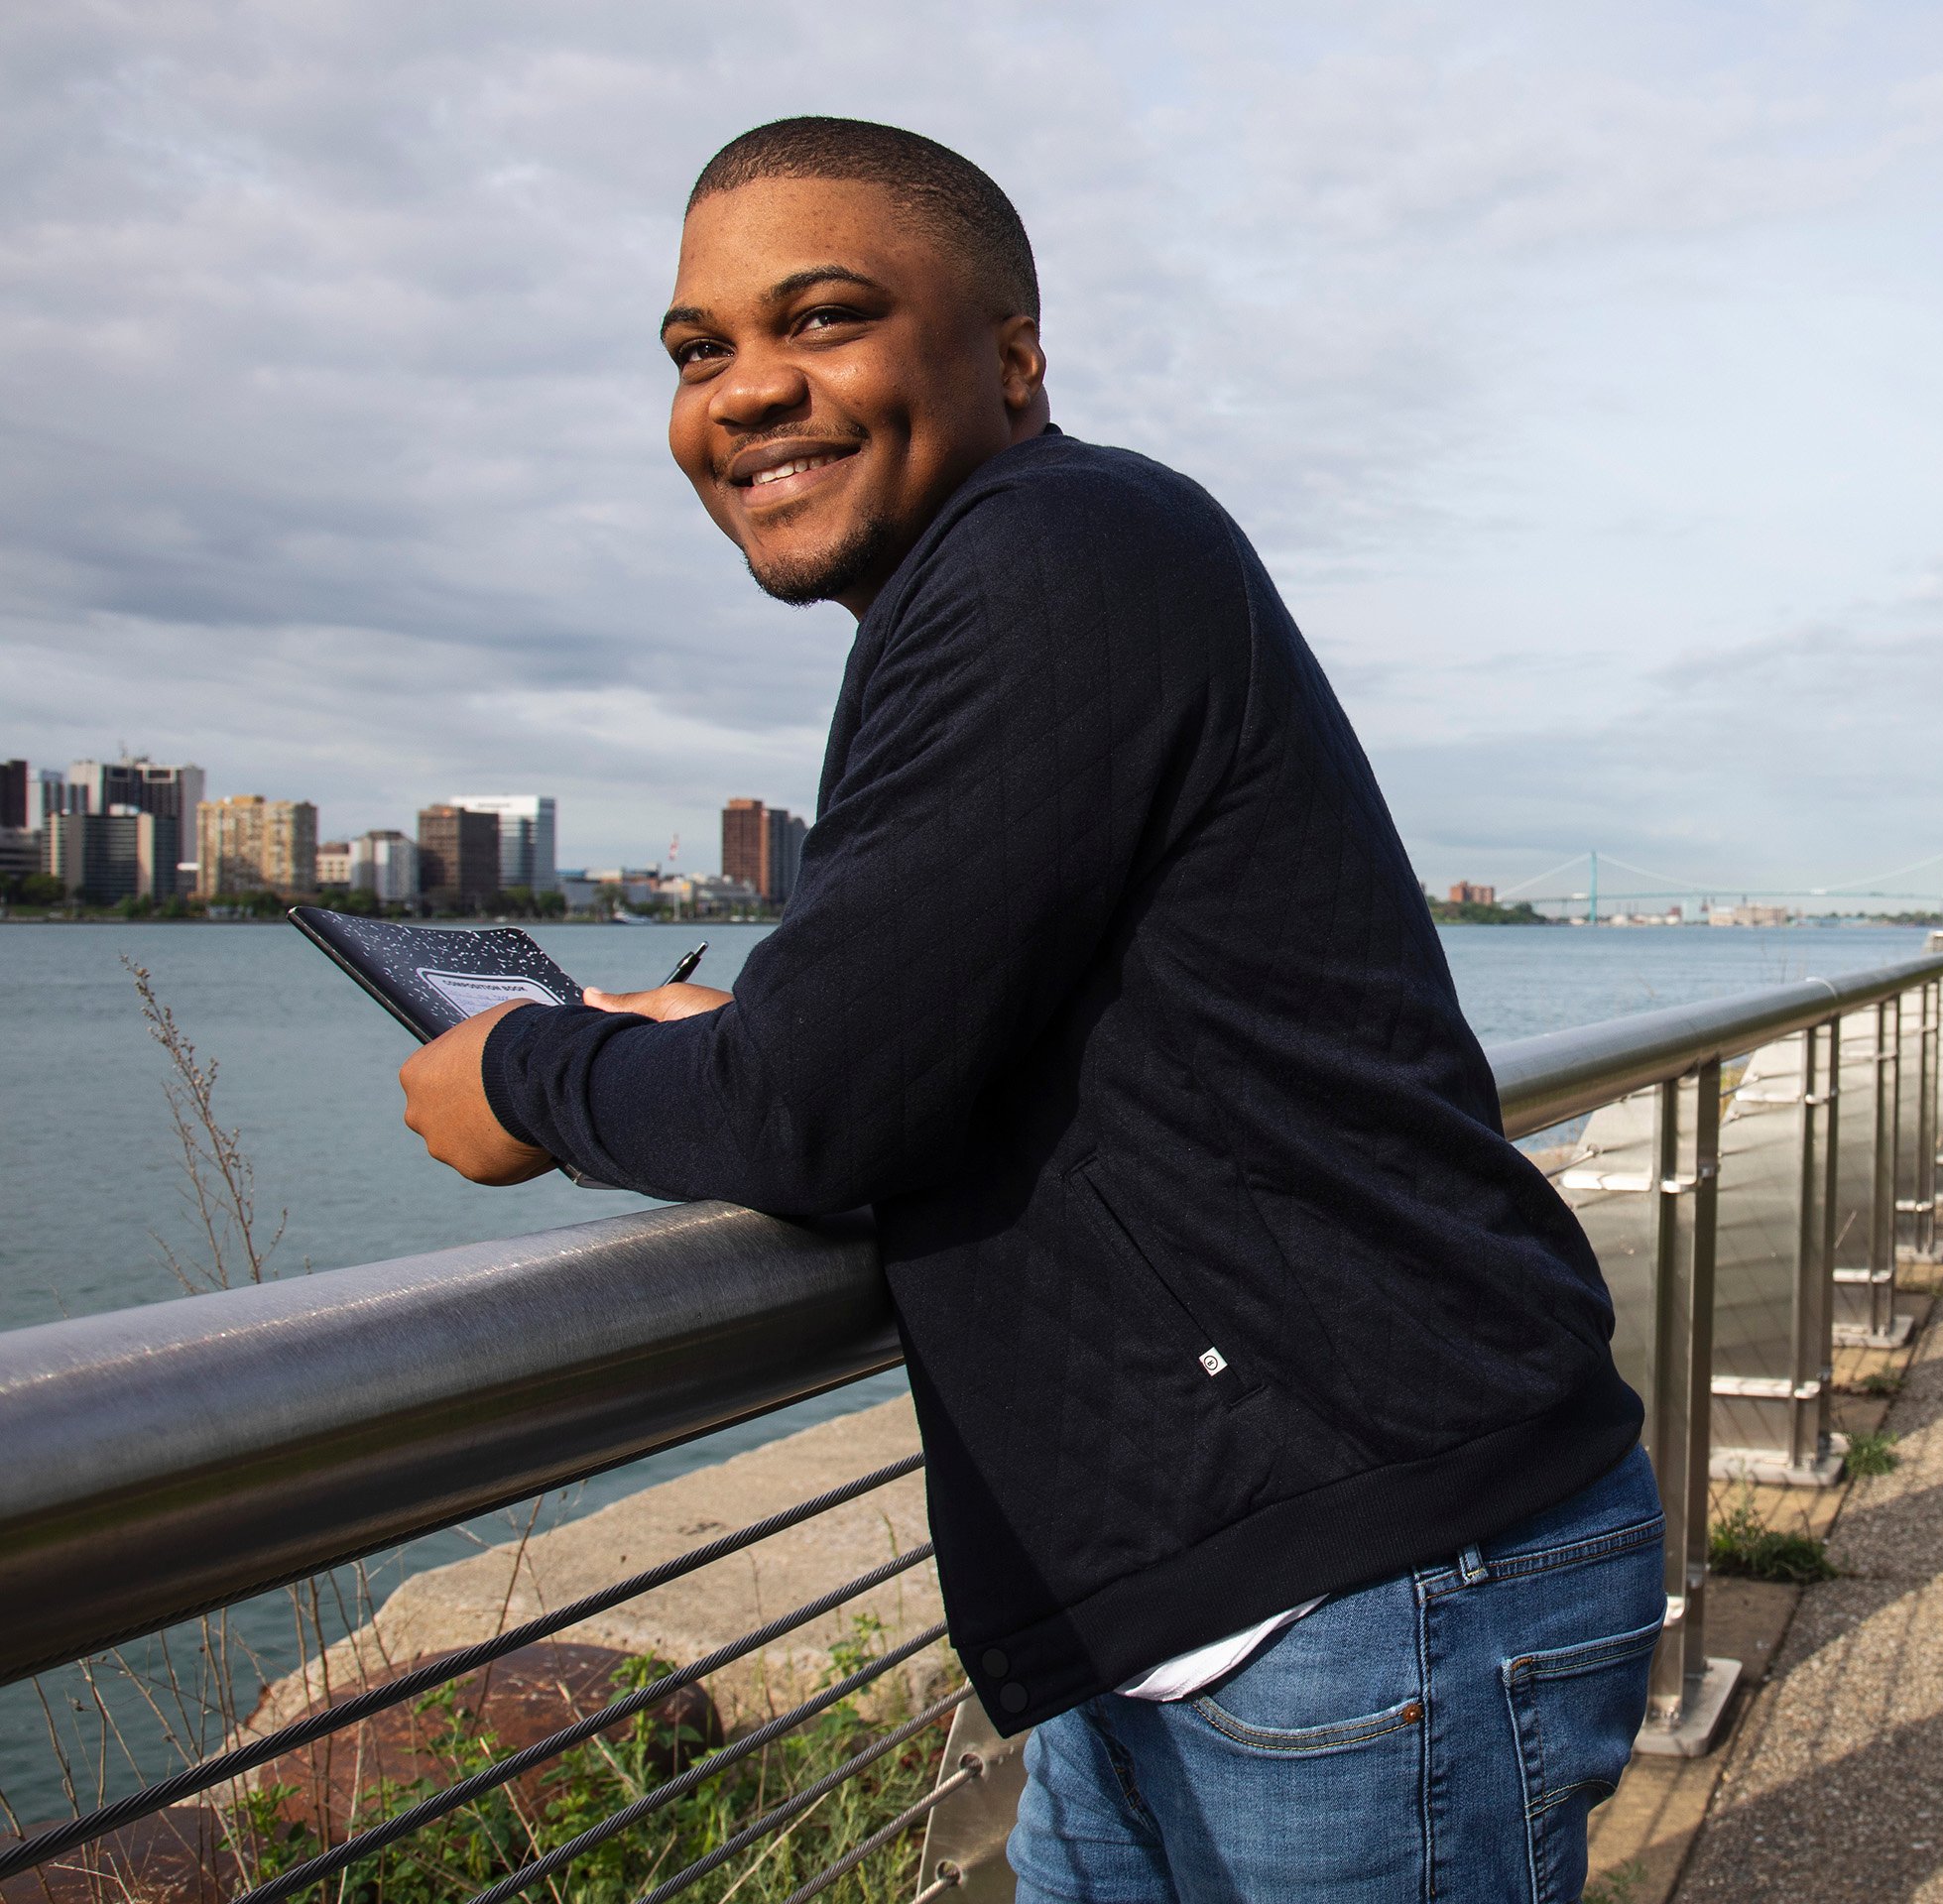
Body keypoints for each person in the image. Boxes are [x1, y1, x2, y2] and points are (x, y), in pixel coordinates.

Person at [397, 116, 1660, 1903]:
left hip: (1365, 1578)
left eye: (820, 319)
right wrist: (718, 1046)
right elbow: (917, 1034)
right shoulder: (1024, 567)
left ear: (1010, 356)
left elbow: (813, 1111)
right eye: (699, 353)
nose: (745, 392)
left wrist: (523, 1071)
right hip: (1212, 1581)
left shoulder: (1048, 556)